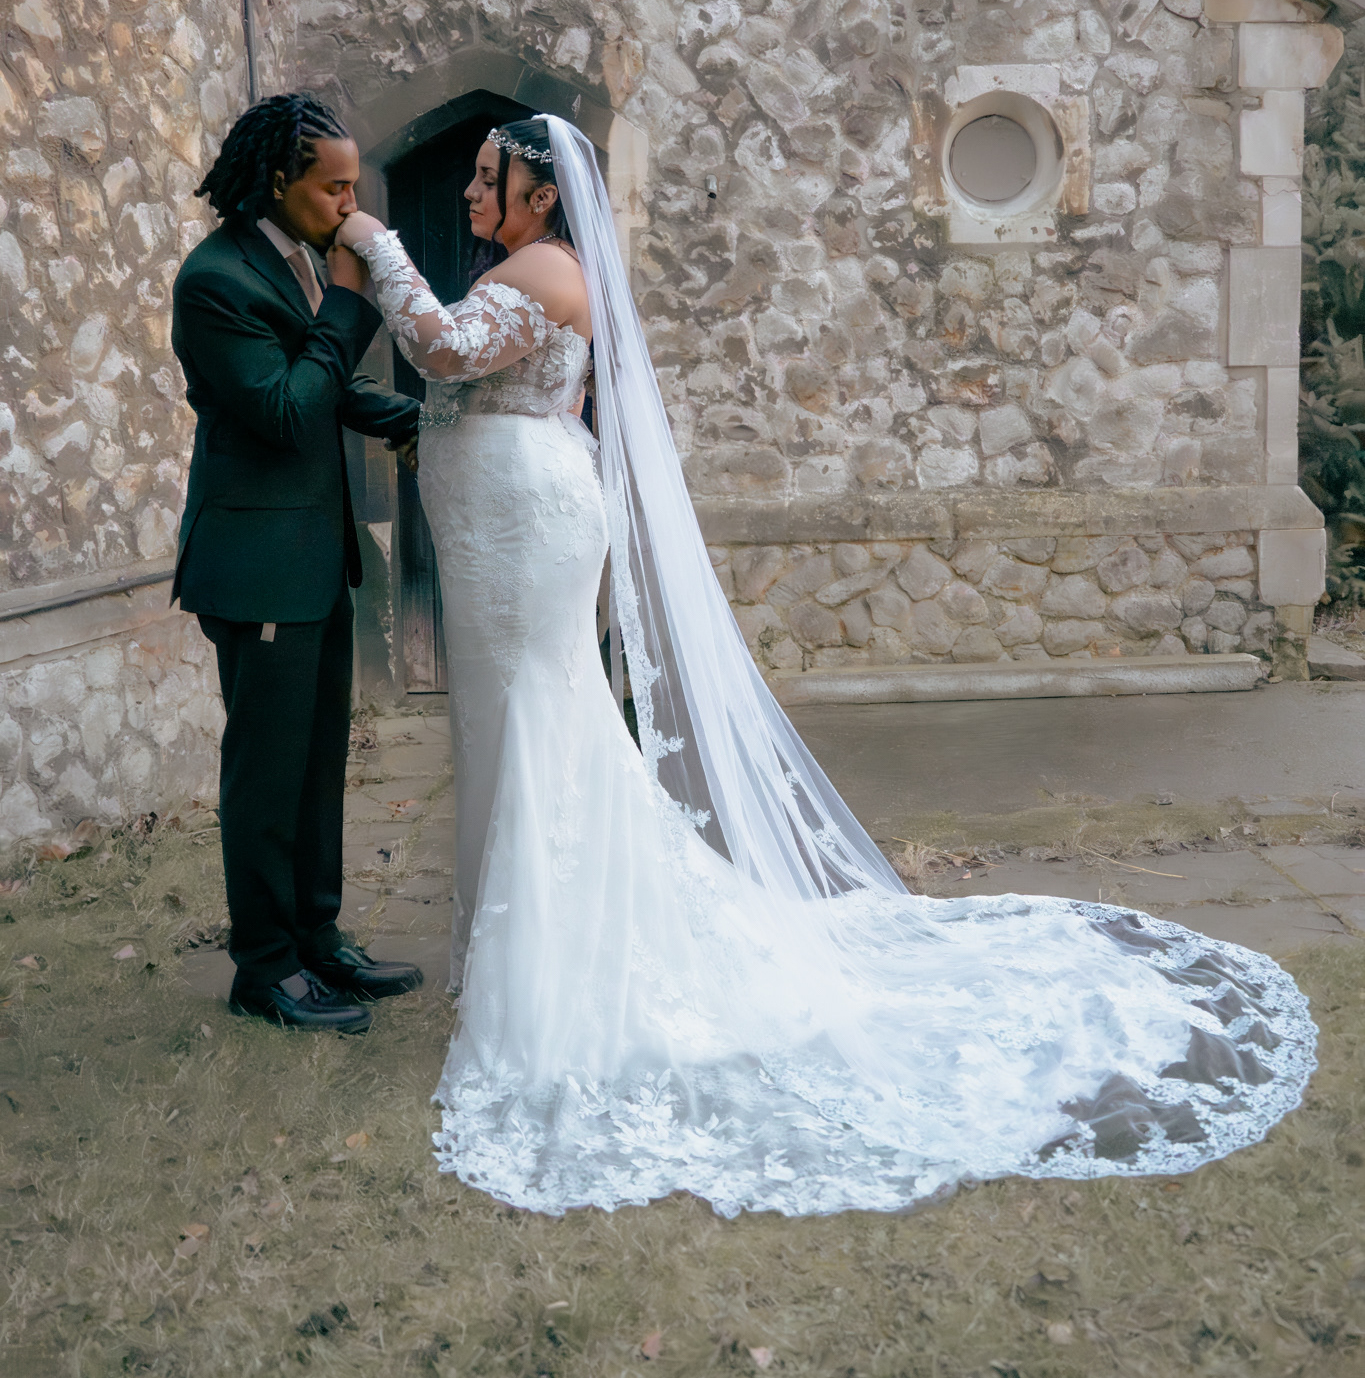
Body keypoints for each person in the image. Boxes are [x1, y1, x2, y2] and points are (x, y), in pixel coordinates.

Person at [328, 114, 1316, 1216]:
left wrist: (373, 241)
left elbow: (443, 349)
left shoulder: (548, 270)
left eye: (487, 177)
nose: (470, 193)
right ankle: (521, 949)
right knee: (512, 723)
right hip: (497, 525)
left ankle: (553, 968)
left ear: (543, 194)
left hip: (522, 527)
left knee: (536, 721)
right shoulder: (525, 267)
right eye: (470, 178)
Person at [172, 93, 425, 1035]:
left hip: (315, 559)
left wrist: (436, 421)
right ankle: (265, 968)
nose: (351, 205)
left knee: (317, 767)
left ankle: (317, 940)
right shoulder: (215, 281)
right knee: (266, 776)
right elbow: (284, 409)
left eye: (353, 186)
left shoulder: (297, 261)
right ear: (279, 179)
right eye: (335, 188)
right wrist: (351, 303)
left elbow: (328, 388)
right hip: (259, 566)